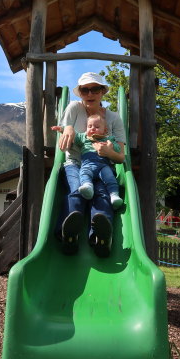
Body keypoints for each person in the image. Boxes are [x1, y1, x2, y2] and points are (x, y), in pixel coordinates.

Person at [55, 72, 126, 257]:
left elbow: (121, 157)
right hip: (75, 163)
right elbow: (64, 133)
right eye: (85, 90)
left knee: (102, 194)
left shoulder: (113, 119)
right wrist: (68, 127)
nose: (90, 94)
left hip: (103, 166)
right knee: (77, 190)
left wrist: (109, 152)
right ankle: (67, 234)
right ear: (80, 93)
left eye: (95, 89)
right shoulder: (73, 108)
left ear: (102, 92)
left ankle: (100, 237)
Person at [55, 113, 124, 209]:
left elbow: (118, 149)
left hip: (103, 165)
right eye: (89, 126)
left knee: (110, 178)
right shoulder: (84, 137)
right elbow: (74, 135)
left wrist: (111, 147)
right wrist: (63, 129)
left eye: (97, 127)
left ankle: (114, 195)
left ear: (105, 130)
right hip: (88, 164)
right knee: (84, 173)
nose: (92, 128)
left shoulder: (108, 139)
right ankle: (88, 187)